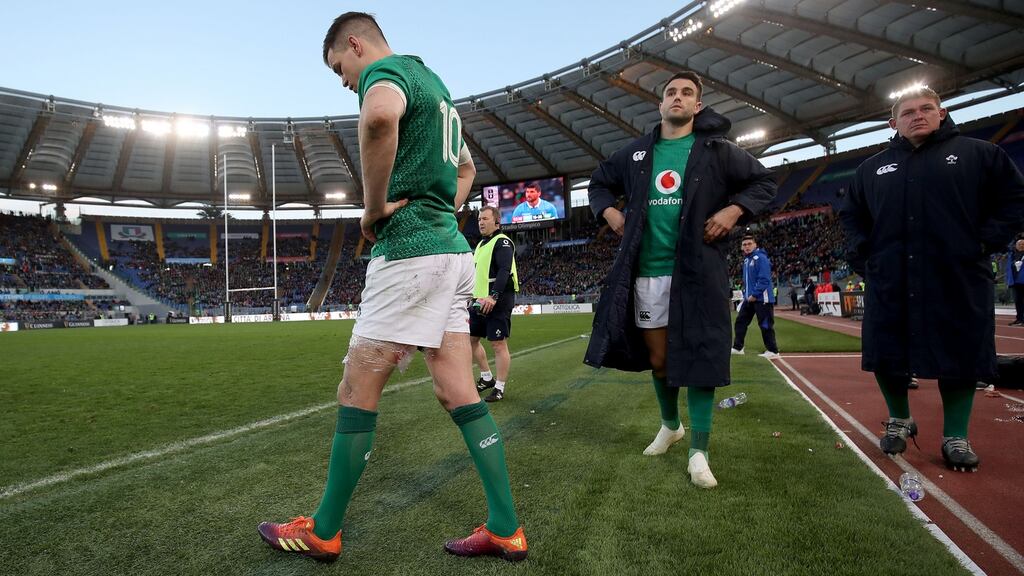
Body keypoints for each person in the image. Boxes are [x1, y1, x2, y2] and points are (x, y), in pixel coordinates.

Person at [257, 12, 527, 563]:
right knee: (459, 391)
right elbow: (468, 169)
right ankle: (506, 527)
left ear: (355, 44)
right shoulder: (436, 85)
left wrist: (375, 207)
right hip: (450, 254)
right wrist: (439, 211)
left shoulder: (391, 74)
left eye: (339, 67)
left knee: (357, 392)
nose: (343, 81)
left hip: (408, 257)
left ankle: (324, 530)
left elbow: (379, 120)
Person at [584, 70, 776, 489]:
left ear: (698, 106)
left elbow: (764, 182)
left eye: (687, 93)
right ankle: (671, 426)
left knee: (702, 358)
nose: (678, 97)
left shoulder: (718, 151)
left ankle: (699, 452)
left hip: (698, 271)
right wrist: (609, 211)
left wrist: (734, 211)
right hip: (647, 271)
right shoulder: (636, 153)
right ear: (660, 104)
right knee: (659, 360)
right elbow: (598, 182)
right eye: (671, 92)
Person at [839, 86, 1024, 472]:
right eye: (908, 112)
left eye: (926, 109)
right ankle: (899, 418)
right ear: (894, 123)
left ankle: (955, 435)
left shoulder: (980, 155)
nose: (917, 116)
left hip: (956, 276)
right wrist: (865, 256)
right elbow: (851, 216)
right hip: (891, 277)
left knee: (959, 355)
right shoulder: (871, 168)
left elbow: (1015, 200)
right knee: (886, 352)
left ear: (942, 113)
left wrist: (985, 241)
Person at [470, 206, 519, 402]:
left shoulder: (503, 242)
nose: (480, 222)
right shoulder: (481, 244)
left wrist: (493, 296)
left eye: (485, 219)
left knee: (498, 344)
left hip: (497, 300)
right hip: (478, 300)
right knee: (470, 340)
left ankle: (499, 387)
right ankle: (486, 377)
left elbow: (504, 270)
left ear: (496, 222)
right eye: (479, 219)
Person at [731, 235, 779, 358]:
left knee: (765, 324)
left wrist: (755, 294)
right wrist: (746, 295)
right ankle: (738, 347)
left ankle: (773, 350)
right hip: (750, 298)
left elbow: (764, 279)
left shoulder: (760, 258)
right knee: (740, 321)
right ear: (741, 247)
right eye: (744, 244)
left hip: (762, 298)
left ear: (755, 245)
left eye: (749, 244)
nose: (747, 246)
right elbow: (748, 280)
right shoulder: (747, 260)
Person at [1006, 237, 1024, 326]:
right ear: (1016, 246)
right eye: (1019, 244)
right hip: (1015, 281)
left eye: (1023, 244)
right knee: (1018, 301)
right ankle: (1019, 319)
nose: (1021, 246)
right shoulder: (1012, 255)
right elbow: (1008, 269)